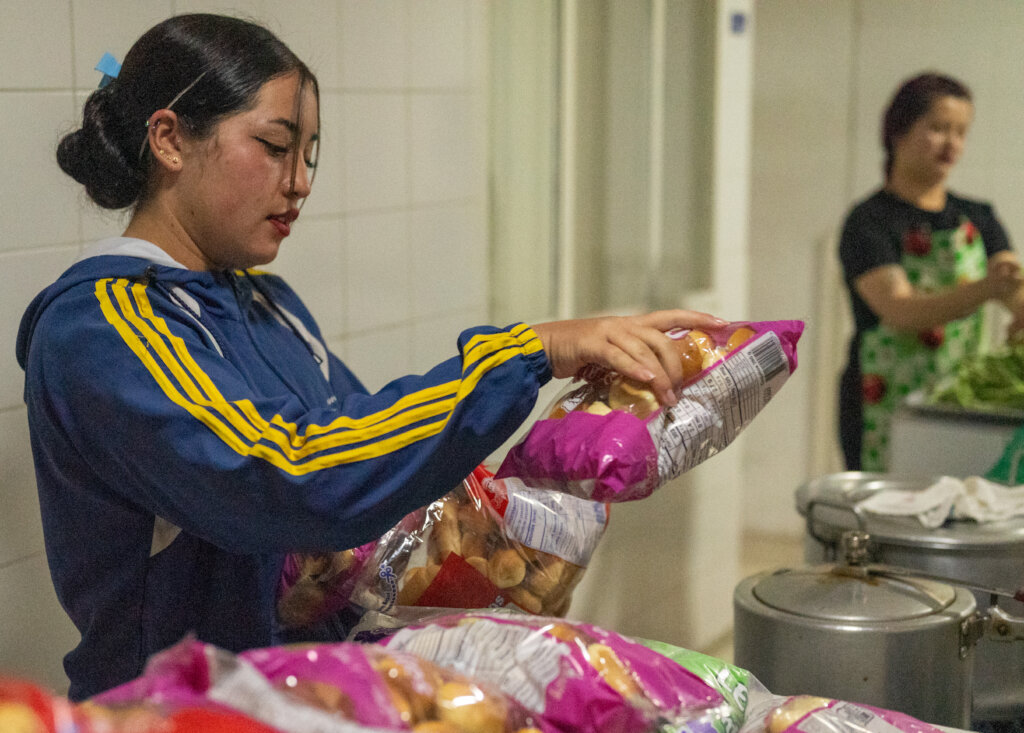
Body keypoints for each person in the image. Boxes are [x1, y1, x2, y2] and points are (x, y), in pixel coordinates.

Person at [15, 14, 725, 701]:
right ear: (169, 139)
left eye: (310, 154)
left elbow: (373, 461)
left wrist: (524, 512)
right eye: (274, 145)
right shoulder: (103, 330)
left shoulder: (269, 306)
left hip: (297, 694)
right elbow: (294, 472)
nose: (299, 182)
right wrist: (528, 351)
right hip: (171, 712)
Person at [838, 72, 1024, 472]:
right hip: (884, 404)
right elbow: (900, 310)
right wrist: (987, 289)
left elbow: (1011, 288)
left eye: (961, 132)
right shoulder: (869, 222)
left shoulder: (979, 217)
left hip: (964, 405)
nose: (952, 144)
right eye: (939, 128)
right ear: (897, 132)